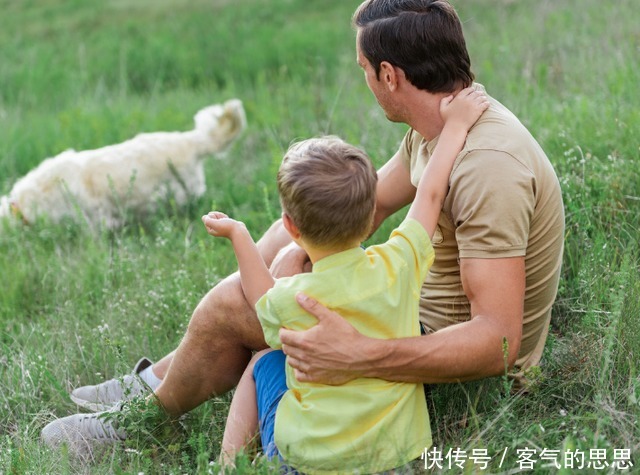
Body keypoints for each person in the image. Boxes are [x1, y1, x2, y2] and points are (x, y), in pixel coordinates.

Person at [41, 0, 565, 463]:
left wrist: (361, 352)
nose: (362, 80)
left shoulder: (488, 166)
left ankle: (145, 417)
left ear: (389, 75)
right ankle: (160, 379)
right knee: (281, 254)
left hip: (439, 356)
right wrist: (286, 265)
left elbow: (498, 342)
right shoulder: (438, 129)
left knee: (230, 306)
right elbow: (372, 205)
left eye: (362, 68)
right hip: (406, 307)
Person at [210, 88, 487, 473]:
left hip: (309, 461)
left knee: (262, 362)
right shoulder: (400, 264)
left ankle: (227, 466)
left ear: (290, 227)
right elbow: (430, 192)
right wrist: (456, 125)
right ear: (373, 210)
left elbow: (260, 297)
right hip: (397, 455)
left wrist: (240, 234)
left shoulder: (295, 298)